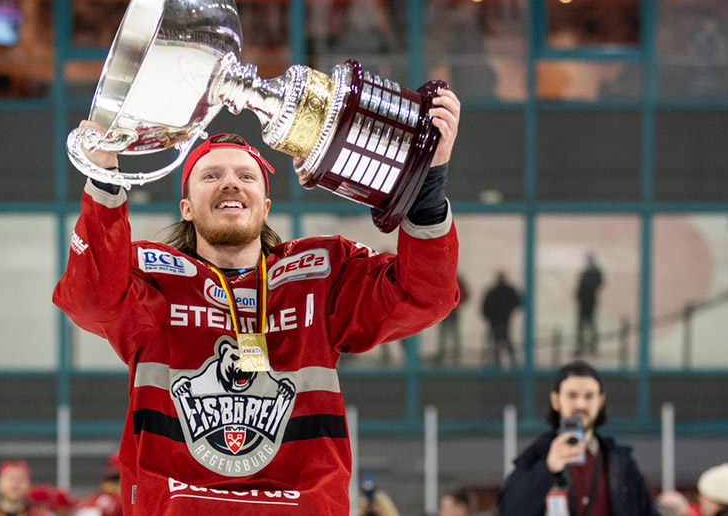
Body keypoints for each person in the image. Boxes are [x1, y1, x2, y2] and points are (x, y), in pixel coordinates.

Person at [53, 87, 462, 515]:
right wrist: (103, 176)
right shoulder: (151, 276)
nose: (230, 181)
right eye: (211, 176)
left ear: (265, 207)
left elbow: (423, 295)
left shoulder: (320, 273)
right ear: (187, 208)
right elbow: (91, 300)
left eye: (245, 176)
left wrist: (428, 182)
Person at [497, 360, 656, 516]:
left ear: (600, 402)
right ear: (556, 400)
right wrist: (547, 469)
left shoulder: (621, 463)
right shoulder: (536, 456)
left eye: (589, 396)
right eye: (572, 395)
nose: (581, 404)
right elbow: (508, 509)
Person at [481, 271, 521, 368]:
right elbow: (517, 302)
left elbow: (485, 308)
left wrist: (490, 316)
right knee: (505, 340)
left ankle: (497, 362)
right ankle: (511, 361)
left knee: (497, 341)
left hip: (495, 320)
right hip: (504, 319)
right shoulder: (509, 291)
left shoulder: (493, 291)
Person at [435, 274, 468, 365]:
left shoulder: (446, 279)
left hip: (446, 312)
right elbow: (465, 295)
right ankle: (454, 355)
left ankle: (445, 354)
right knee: (453, 334)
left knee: (446, 334)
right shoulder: (458, 280)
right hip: (452, 311)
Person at [575, 253, 603, 356]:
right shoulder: (586, 273)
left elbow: (599, 284)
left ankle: (592, 348)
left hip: (589, 303)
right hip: (583, 303)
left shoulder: (594, 273)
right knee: (581, 327)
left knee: (590, 326)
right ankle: (580, 347)